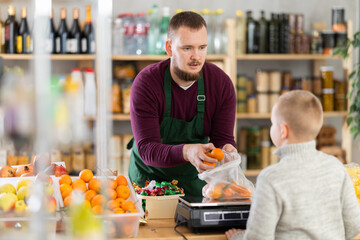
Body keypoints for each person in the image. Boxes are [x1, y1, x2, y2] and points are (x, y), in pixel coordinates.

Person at [127, 11, 237, 197]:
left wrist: (227, 150)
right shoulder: (146, 83)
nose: (196, 57)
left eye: (202, 47)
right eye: (187, 48)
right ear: (169, 48)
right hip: (148, 181)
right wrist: (187, 151)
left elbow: (222, 138)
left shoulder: (220, 84)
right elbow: (147, 149)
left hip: (195, 181)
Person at [226, 90, 360, 240]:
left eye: (272, 124)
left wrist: (238, 237)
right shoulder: (337, 168)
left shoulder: (270, 178)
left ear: (283, 131)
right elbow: (353, 227)